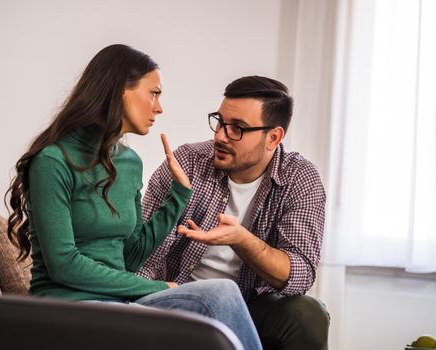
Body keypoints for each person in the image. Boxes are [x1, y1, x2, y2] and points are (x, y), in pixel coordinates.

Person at [5, 44, 262, 350]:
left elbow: (131, 256)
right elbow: (64, 264)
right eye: (154, 93)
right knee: (202, 307)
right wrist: (153, 287)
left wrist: (179, 196)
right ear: (119, 91)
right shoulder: (53, 162)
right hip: (68, 305)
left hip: (121, 300)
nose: (159, 107)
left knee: (223, 292)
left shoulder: (129, 162)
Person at [138, 76, 330, 350]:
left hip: (251, 304)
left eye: (237, 128)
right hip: (179, 294)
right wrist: (139, 298)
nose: (220, 136)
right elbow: (143, 252)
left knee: (307, 312)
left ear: (273, 137)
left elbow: (299, 274)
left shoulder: (299, 178)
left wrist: (242, 240)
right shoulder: (188, 162)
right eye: (220, 122)